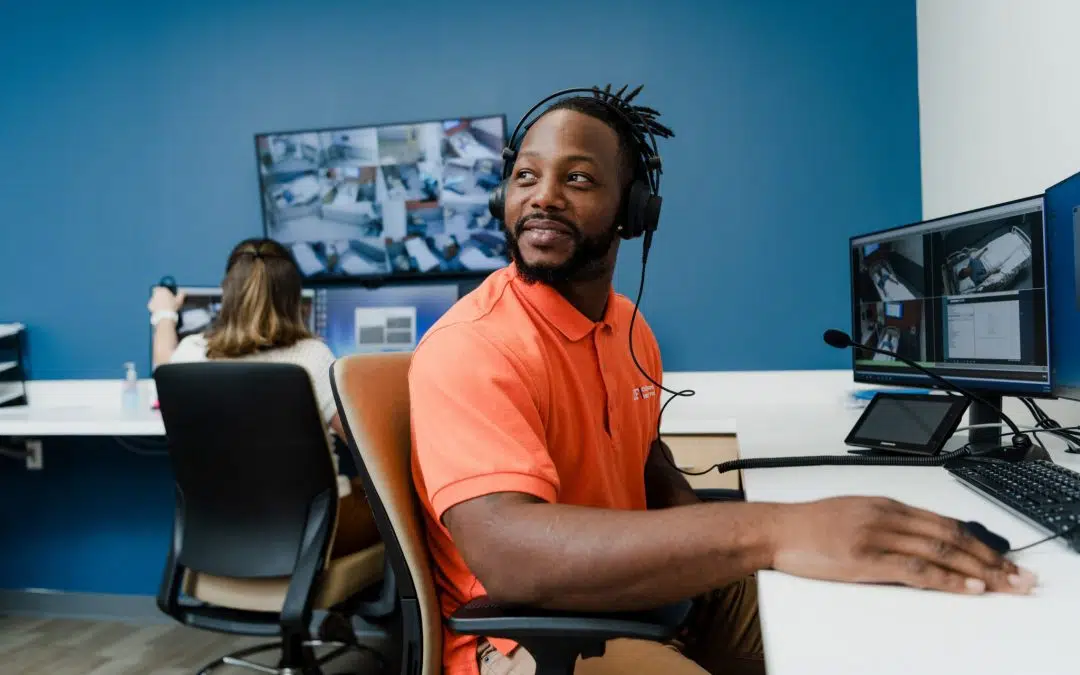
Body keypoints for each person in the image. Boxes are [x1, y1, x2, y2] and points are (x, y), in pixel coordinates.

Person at [408, 86, 1038, 675]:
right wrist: (770, 530)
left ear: (635, 212)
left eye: (577, 178)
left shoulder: (627, 327)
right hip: (533, 639)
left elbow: (642, 458)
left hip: (638, 592)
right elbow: (509, 557)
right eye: (525, 177)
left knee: (869, 629)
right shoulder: (473, 347)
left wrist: (747, 548)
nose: (543, 196)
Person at [148, 238, 379, 557]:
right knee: (389, 500)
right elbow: (366, 447)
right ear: (294, 298)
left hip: (218, 532)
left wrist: (164, 315)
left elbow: (164, 369)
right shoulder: (311, 358)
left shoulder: (190, 353)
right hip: (307, 535)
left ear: (225, 293)